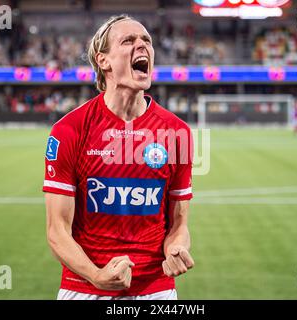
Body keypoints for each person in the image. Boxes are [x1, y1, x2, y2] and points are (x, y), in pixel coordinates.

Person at [43, 14, 194, 300]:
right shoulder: (69, 131)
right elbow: (57, 231)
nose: (143, 46)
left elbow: (179, 224)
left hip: (155, 290)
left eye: (146, 41)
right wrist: (96, 276)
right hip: (84, 287)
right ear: (103, 61)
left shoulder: (177, 132)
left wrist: (176, 248)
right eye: (128, 40)